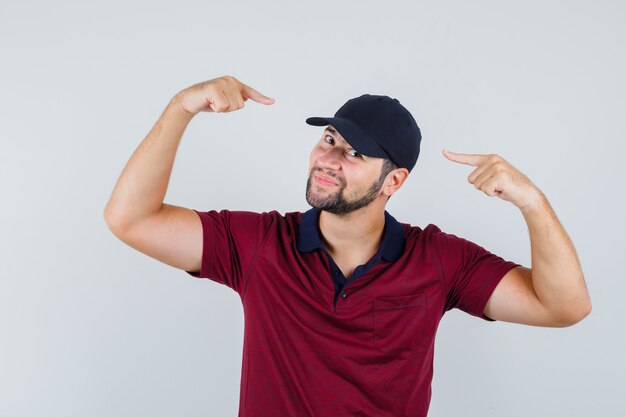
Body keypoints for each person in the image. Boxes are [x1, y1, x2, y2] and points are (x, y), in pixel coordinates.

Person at [103, 75, 592, 417]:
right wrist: (181, 108)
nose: (329, 158)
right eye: (330, 139)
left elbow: (564, 307)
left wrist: (532, 202)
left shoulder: (438, 261)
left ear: (393, 181)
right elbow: (131, 219)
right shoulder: (261, 245)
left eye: (355, 153)